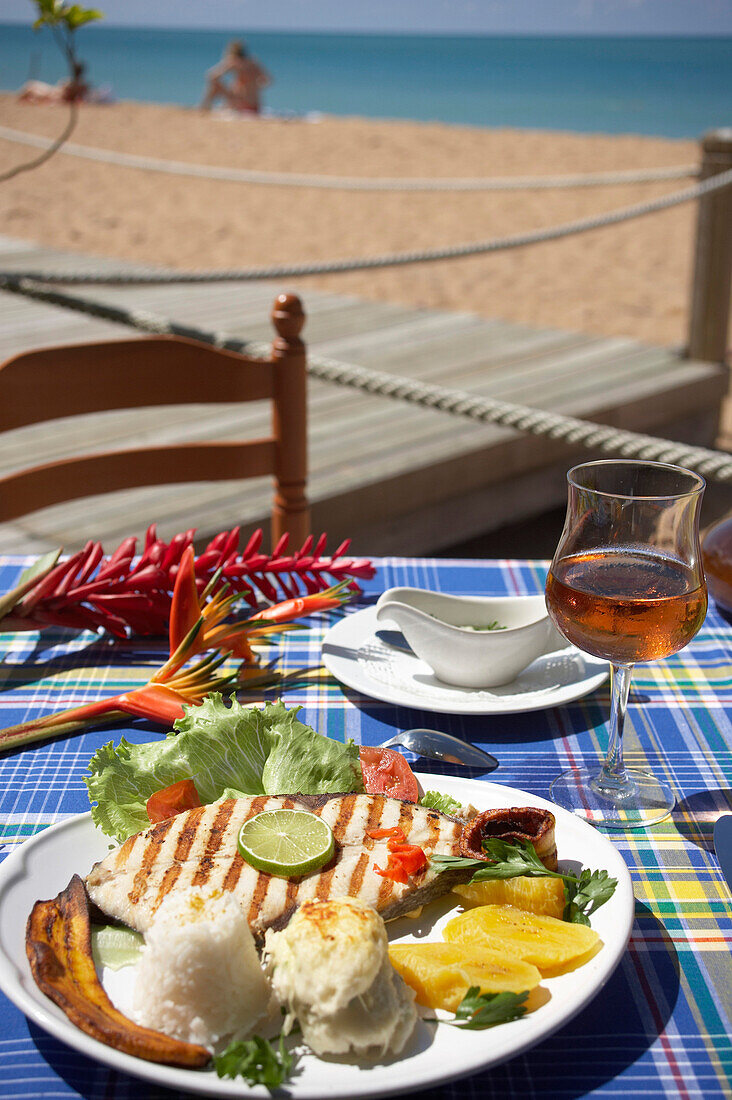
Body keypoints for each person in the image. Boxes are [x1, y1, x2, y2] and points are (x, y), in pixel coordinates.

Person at [200, 39, 271, 114]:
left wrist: (232, 86)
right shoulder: (254, 62)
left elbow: (212, 76)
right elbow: (268, 80)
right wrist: (254, 86)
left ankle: (204, 106)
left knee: (215, 85)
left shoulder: (234, 61)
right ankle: (211, 106)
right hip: (256, 106)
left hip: (241, 104)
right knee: (234, 85)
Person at [18, 61, 89, 105]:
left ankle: (23, 99)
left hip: (54, 95)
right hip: (55, 94)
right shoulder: (81, 84)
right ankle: (24, 99)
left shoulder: (73, 82)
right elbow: (81, 97)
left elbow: (67, 95)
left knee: (31, 86)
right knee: (31, 86)